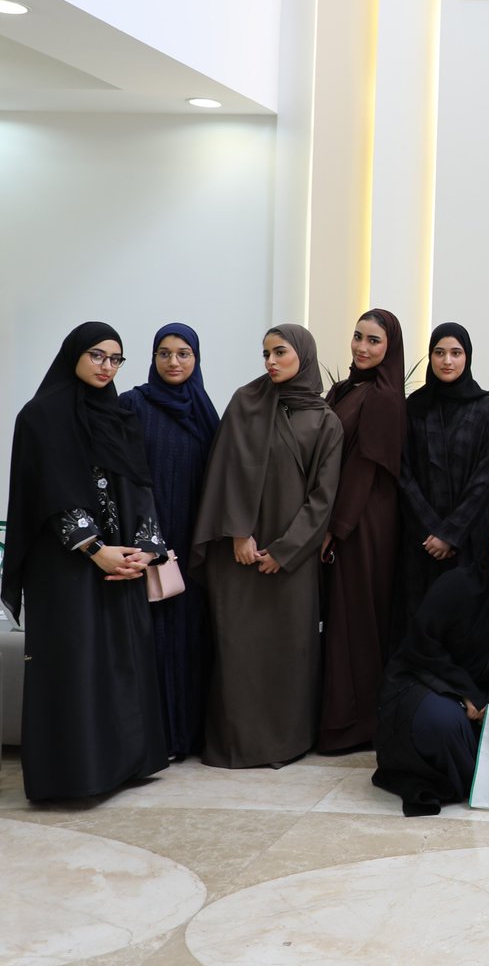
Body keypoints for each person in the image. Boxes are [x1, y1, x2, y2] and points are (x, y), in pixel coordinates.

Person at [3, 322, 169, 801]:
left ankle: (123, 765)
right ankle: (73, 776)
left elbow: (140, 484)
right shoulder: (40, 417)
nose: (106, 367)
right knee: (75, 663)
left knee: (120, 660)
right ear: (73, 354)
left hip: (122, 561)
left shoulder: (118, 415)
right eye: (97, 356)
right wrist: (95, 550)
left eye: (115, 359)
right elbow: (47, 493)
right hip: (66, 567)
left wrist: (145, 548)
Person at [191, 325, 343, 769]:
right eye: (265, 354)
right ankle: (236, 744)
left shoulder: (326, 420)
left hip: (290, 563)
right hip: (237, 556)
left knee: (288, 654)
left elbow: (323, 497)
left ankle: (284, 743)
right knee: (237, 653)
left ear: (304, 356)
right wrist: (239, 533)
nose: (271, 362)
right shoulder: (246, 402)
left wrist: (285, 550)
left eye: (280, 352)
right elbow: (224, 470)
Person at [372, 509, 489, 816]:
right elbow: (423, 644)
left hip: (483, 698)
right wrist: (465, 692)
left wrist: (487, 702)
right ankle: (463, 778)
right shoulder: (457, 584)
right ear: (487, 545)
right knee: (444, 723)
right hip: (424, 680)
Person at [119, 322, 221, 760]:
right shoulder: (133, 405)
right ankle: (155, 739)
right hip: (149, 542)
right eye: (164, 353)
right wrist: (147, 538)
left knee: (193, 639)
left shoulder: (203, 409)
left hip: (195, 545)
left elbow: (220, 478)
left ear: (196, 359)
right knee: (151, 639)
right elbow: (119, 477)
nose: (173, 362)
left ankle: (189, 736)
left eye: (183, 353)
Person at [318, 309, 407, 752]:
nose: (362, 347)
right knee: (340, 616)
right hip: (342, 516)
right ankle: (338, 715)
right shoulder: (344, 388)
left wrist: (338, 528)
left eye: (374, 341)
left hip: (364, 522)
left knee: (358, 617)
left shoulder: (385, 396)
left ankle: (356, 723)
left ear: (390, 348)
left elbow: (364, 468)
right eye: (358, 337)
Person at [396, 323, 489, 638]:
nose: (447, 361)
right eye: (439, 352)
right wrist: (434, 531)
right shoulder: (413, 407)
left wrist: (451, 533)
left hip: (469, 540)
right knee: (419, 621)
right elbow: (403, 473)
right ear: (430, 357)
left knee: (466, 623)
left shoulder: (486, 407)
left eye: (455, 353)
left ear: (467, 357)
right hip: (421, 542)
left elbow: (487, 476)